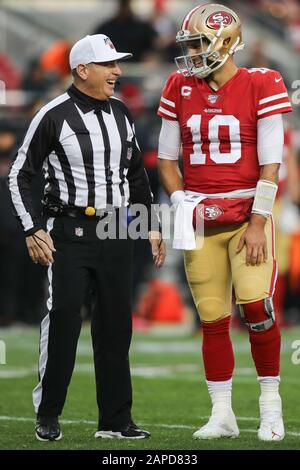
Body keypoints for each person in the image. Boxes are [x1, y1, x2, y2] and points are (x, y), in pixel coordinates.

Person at [8, 33, 165, 441]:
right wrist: (33, 227)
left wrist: (150, 224)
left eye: (117, 63)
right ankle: (48, 412)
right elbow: (20, 174)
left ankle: (115, 420)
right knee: (63, 320)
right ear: (82, 70)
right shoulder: (54, 114)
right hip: (69, 231)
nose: (117, 71)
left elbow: (135, 174)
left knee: (116, 326)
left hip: (116, 228)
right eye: (108, 64)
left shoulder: (122, 113)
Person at [157, 4, 292, 441]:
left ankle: (271, 406)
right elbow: (166, 160)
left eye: (198, 43)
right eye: (189, 44)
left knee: (256, 307)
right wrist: (180, 203)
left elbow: (271, 163)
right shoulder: (179, 84)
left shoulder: (260, 82)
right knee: (213, 320)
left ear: (226, 41)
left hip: (244, 216)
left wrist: (258, 220)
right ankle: (222, 414)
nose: (192, 53)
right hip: (199, 220)